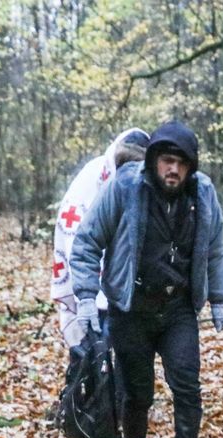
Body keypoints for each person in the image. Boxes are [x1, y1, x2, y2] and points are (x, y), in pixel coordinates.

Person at [70, 121, 223, 438]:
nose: (172, 170)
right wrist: (85, 297)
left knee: (188, 385)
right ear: (154, 161)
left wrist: (220, 299)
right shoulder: (126, 187)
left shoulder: (203, 194)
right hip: (133, 306)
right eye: (166, 161)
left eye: (180, 163)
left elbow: (217, 247)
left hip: (178, 308)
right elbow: (88, 240)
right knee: (137, 390)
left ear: (191, 167)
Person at [52, 129, 151, 346]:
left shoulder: (147, 182)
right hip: (92, 282)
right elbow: (78, 239)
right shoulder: (92, 178)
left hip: (126, 292)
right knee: (91, 354)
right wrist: (87, 294)